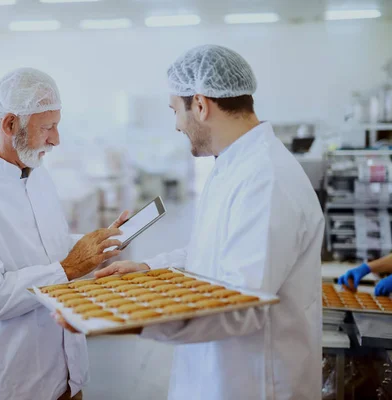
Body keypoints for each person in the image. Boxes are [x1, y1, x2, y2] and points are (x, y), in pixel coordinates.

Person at [56, 45, 325, 400]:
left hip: (255, 381)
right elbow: (212, 251)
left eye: (175, 111)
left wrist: (124, 318)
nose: (177, 125)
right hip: (217, 371)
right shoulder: (232, 166)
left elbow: (241, 307)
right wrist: (149, 268)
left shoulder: (266, 179)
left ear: (200, 105)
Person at [0, 67, 126, 400]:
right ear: (9, 124)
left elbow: (49, 250)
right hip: (14, 383)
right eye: (47, 127)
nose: (56, 139)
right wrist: (70, 267)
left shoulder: (34, 172)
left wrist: (92, 247)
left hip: (66, 372)